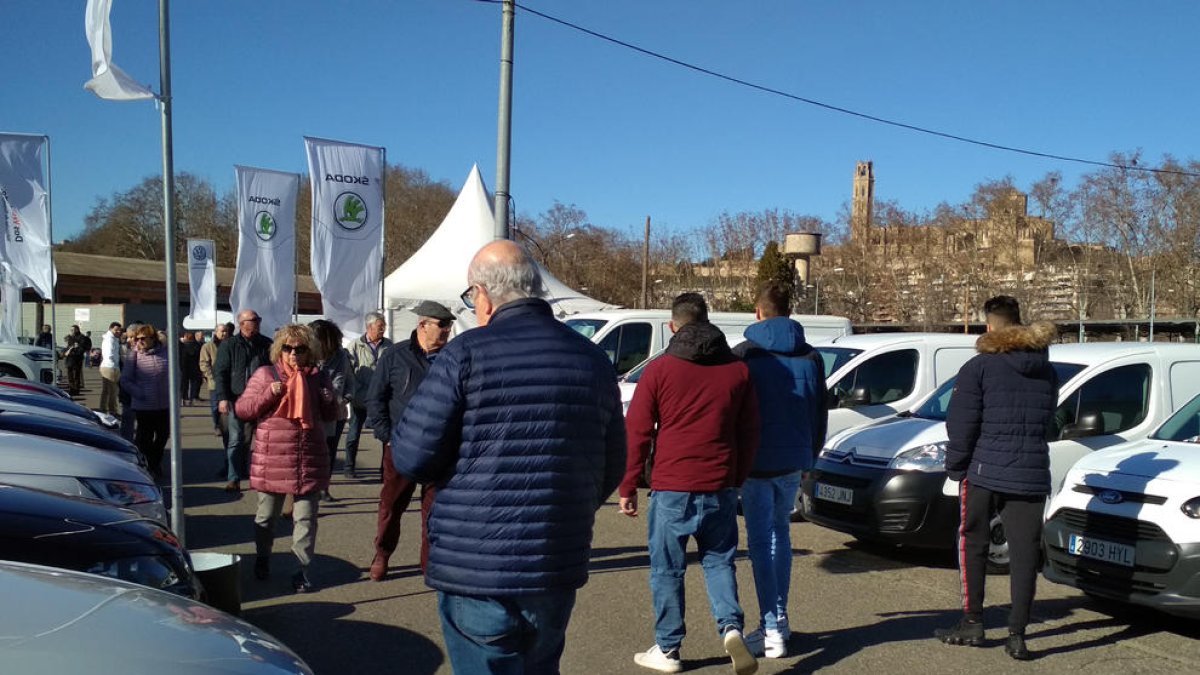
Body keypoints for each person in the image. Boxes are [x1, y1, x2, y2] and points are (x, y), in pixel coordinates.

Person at [392, 241, 625, 674]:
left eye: (470, 296)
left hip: (477, 567)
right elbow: (611, 463)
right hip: (554, 558)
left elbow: (411, 455)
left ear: (482, 294)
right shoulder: (593, 360)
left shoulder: (465, 354)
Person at [620, 292, 761, 675]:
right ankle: (732, 627)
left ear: (673, 325)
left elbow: (638, 431)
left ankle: (668, 649)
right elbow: (749, 431)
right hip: (719, 483)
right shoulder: (737, 370)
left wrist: (628, 485)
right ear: (708, 321)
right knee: (719, 562)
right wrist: (738, 478)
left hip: (672, 484)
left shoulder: (660, 369)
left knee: (667, 569)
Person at [935, 296, 1058, 661]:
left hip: (984, 469)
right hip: (1032, 472)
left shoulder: (979, 367)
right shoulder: (1047, 368)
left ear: (990, 326)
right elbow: (1048, 418)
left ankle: (973, 621)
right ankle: (1017, 635)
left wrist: (957, 467)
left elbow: (961, 425)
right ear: (1020, 323)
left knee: (973, 542)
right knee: (1025, 554)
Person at [731, 283, 828, 660]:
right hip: (795, 457)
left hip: (756, 462)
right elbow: (819, 410)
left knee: (759, 543)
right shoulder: (812, 356)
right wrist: (811, 455)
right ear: (789, 311)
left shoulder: (745, 354)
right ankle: (779, 619)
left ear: (758, 312)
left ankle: (771, 626)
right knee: (780, 536)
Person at [234, 323, 337, 593]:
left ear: (309, 351)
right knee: (266, 518)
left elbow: (330, 417)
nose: (293, 354)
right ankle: (263, 557)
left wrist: (329, 400)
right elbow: (243, 409)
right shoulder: (266, 374)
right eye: (288, 348)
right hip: (274, 460)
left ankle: (300, 571)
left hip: (308, 459)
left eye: (300, 349)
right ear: (280, 349)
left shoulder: (318, 377)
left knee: (305, 520)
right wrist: (270, 393)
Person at [365, 300, 452, 581]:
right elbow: (375, 398)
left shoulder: (453, 358)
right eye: (442, 325)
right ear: (423, 324)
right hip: (401, 447)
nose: (448, 330)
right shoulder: (395, 355)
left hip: (440, 449)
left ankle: (430, 564)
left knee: (434, 512)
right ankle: (382, 553)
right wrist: (386, 436)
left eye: (449, 325)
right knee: (392, 505)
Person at [214, 310, 273, 493]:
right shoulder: (229, 345)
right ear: (242, 323)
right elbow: (221, 372)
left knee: (257, 440)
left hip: (262, 399)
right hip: (236, 398)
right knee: (235, 439)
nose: (257, 323)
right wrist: (223, 397)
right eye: (254, 320)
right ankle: (233, 478)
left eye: (258, 319)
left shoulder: (266, 344)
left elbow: (274, 369)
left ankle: (254, 474)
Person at [310, 319, 353, 503]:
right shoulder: (306, 354)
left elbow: (341, 382)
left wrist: (342, 399)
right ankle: (309, 487)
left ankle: (324, 487)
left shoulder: (339, 356)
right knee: (310, 451)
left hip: (334, 410)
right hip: (310, 410)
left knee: (329, 450)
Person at [344, 311, 392, 478]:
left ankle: (384, 470)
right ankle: (349, 467)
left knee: (385, 436)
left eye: (384, 326)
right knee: (353, 434)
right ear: (369, 327)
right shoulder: (355, 345)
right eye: (380, 327)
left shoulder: (389, 346)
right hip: (360, 398)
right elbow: (349, 371)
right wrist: (355, 389)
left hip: (380, 399)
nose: (383, 330)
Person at [120, 325, 171, 477]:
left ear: (152, 338)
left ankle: (154, 462)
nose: (139, 341)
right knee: (145, 438)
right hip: (144, 405)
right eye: (137, 339)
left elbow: (175, 373)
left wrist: (175, 393)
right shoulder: (133, 355)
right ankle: (149, 466)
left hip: (164, 404)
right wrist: (139, 393)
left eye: (143, 338)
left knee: (163, 435)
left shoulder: (165, 353)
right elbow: (125, 380)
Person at [200, 323, 233, 442]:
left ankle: (227, 427)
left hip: (229, 382)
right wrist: (210, 376)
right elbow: (204, 363)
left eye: (226, 331)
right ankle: (217, 426)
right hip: (214, 383)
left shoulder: (231, 344)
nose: (224, 333)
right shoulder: (208, 347)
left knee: (227, 406)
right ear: (216, 332)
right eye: (222, 331)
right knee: (215, 407)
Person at [118, 322, 142, 441]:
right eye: (129, 336)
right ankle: (126, 443)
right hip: (128, 391)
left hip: (142, 392)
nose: (130, 339)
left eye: (133, 337)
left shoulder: (144, 350)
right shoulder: (124, 348)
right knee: (127, 420)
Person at [98, 322, 123, 416]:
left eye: (119, 330)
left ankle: (104, 409)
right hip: (110, 367)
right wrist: (114, 366)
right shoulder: (110, 339)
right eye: (116, 329)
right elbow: (109, 354)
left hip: (109, 366)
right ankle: (112, 410)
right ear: (110, 329)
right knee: (113, 390)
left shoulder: (113, 338)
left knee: (107, 390)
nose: (118, 331)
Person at [179, 331, 203, 406]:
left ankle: (183, 399)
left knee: (184, 384)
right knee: (194, 384)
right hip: (195, 367)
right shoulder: (198, 346)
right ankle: (191, 399)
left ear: (186, 337)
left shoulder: (182, 346)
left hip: (184, 367)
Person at [62, 325, 86, 396]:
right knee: (70, 376)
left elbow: (82, 349)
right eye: (71, 330)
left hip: (76, 360)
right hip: (69, 359)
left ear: (77, 330)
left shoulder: (81, 337)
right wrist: (67, 351)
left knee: (76, 376)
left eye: (73, 330)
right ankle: (71, 389)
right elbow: (67, 347)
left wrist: (75, 350)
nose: (72, 331)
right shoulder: (69, 338)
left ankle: (76, 390)